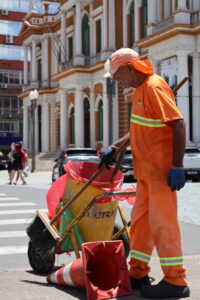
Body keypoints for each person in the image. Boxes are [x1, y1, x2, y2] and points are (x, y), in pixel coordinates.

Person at [100, 48, 190, 298]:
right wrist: (115, 147)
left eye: (117, 74)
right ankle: (137, 274)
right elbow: (139, 130)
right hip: (146, 174)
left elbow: (178, 124)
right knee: (140, 227)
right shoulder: (140, 92)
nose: (116, 79)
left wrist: (178, 166)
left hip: (161, 174)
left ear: (131, 68)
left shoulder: (153, 86)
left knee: (163, 227)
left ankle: (176, 281)